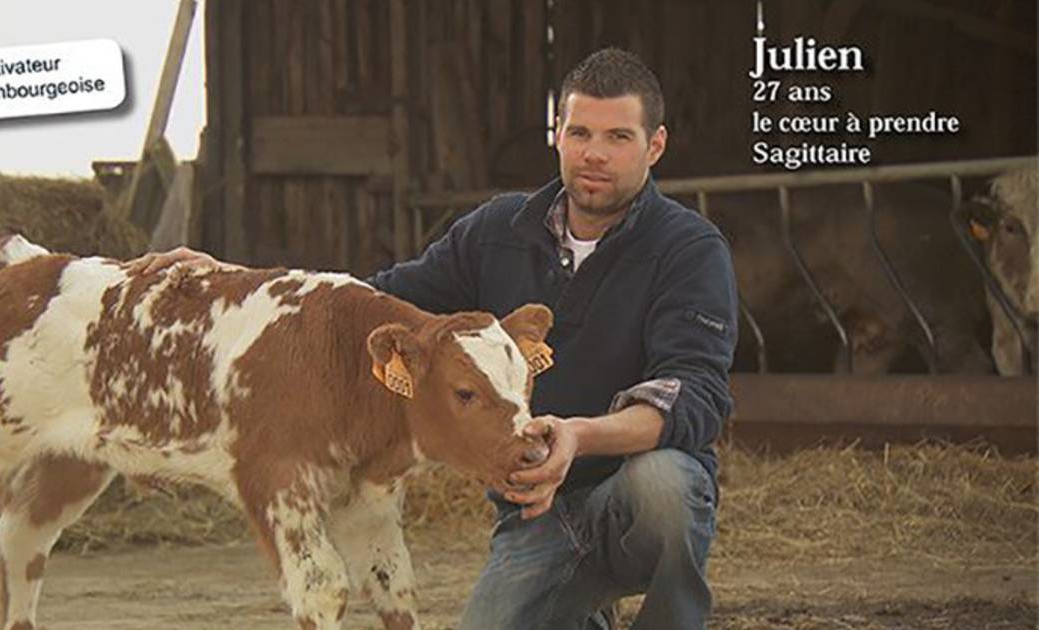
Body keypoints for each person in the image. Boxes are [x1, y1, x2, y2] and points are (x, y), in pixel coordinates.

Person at [134, 47, 737, 630]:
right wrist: (234, 280)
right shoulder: (498, 231)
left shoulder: (688, 250)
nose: (594, 154)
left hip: (624, 494)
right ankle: (578, 611)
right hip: (532, 512)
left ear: (655, 145)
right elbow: (364, 304)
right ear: (557, 135)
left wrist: (578, 437)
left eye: (618, 137)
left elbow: (693, 396)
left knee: (669, 485)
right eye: (579, 133)